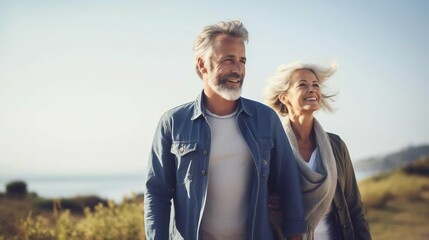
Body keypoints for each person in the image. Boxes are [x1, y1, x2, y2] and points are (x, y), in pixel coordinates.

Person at [144, 20, 307, 240]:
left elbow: (288, 182)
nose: (238, 68)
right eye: (228, 59)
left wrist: (295, 234)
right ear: (202, 65)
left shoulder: (266, 119)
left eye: (242, 60)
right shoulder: (173, 122)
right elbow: (157, 193)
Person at [264, 61, 372, 240]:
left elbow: (354, 208)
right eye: (302, 85)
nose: (312, 89)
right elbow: (255, 199)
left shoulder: (336, 145)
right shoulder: (271, 147)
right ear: (284, 97)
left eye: (315, 85)